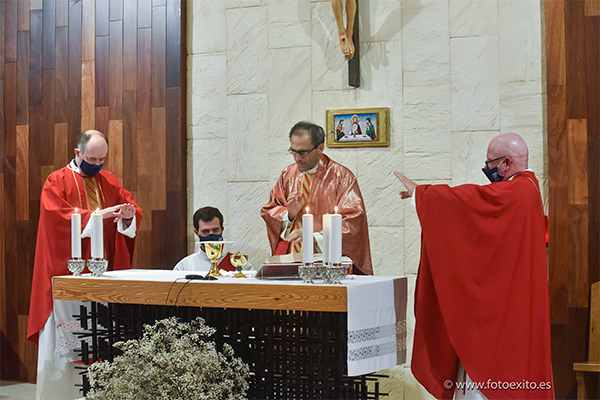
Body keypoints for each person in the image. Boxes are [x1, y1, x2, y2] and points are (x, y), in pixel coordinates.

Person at [394, 133, 553, 400]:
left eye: (490, 163)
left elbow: (470, 203)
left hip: (503, 313)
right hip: (513, 301)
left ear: (506, 163)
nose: (487, 168)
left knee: (491, 375)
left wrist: (422, 195)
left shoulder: (518, 192)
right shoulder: (528, 188)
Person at [27, 130, 142, 400]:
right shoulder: (57, 180)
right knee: (68, 340)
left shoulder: (109, 180)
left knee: (100, 334)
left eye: (102, 160)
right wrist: (97, 215)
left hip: (102, 275)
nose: (98, 165)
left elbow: (130, 206)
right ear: (78, 153)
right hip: (66, 273)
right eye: (92, 158)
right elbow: (56, 217)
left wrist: (127, 216)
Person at [261, 121, 372, 275]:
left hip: (328, 263)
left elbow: (354, 221)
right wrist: (289, 215)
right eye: (293, 151)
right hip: (291, 259)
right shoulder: (288, 175)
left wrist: (315, 237)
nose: (297, 158)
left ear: (320, 148)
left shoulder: (341, 176)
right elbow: (270, 210)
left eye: (303, 152)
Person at [173, 206, 252, 272]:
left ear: (222, 230)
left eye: (215, 230)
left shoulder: (239, 262)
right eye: (205, 231)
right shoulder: (184, 266)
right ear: (196, 233)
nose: (211, 234)